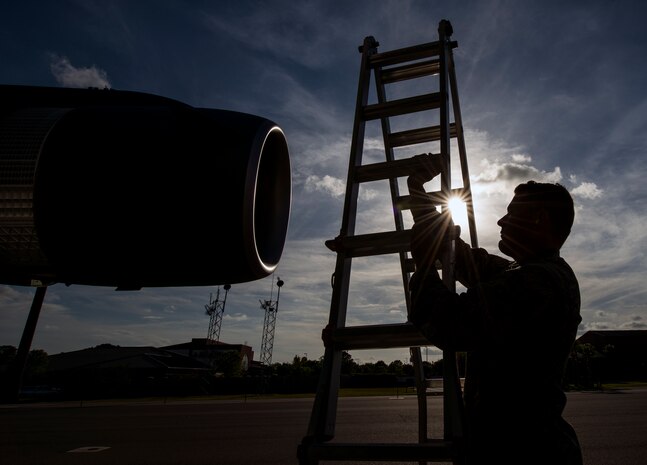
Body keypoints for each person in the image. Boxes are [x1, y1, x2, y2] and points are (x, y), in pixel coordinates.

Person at [408, 177, 583, 465]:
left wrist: (424, 265)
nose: (501, 221)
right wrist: (417, 189)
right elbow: (464, 259)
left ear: (539, 219)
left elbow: (452, 323)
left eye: (512, 213)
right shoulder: (526, 272)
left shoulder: (540, 281)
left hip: (524, 451)